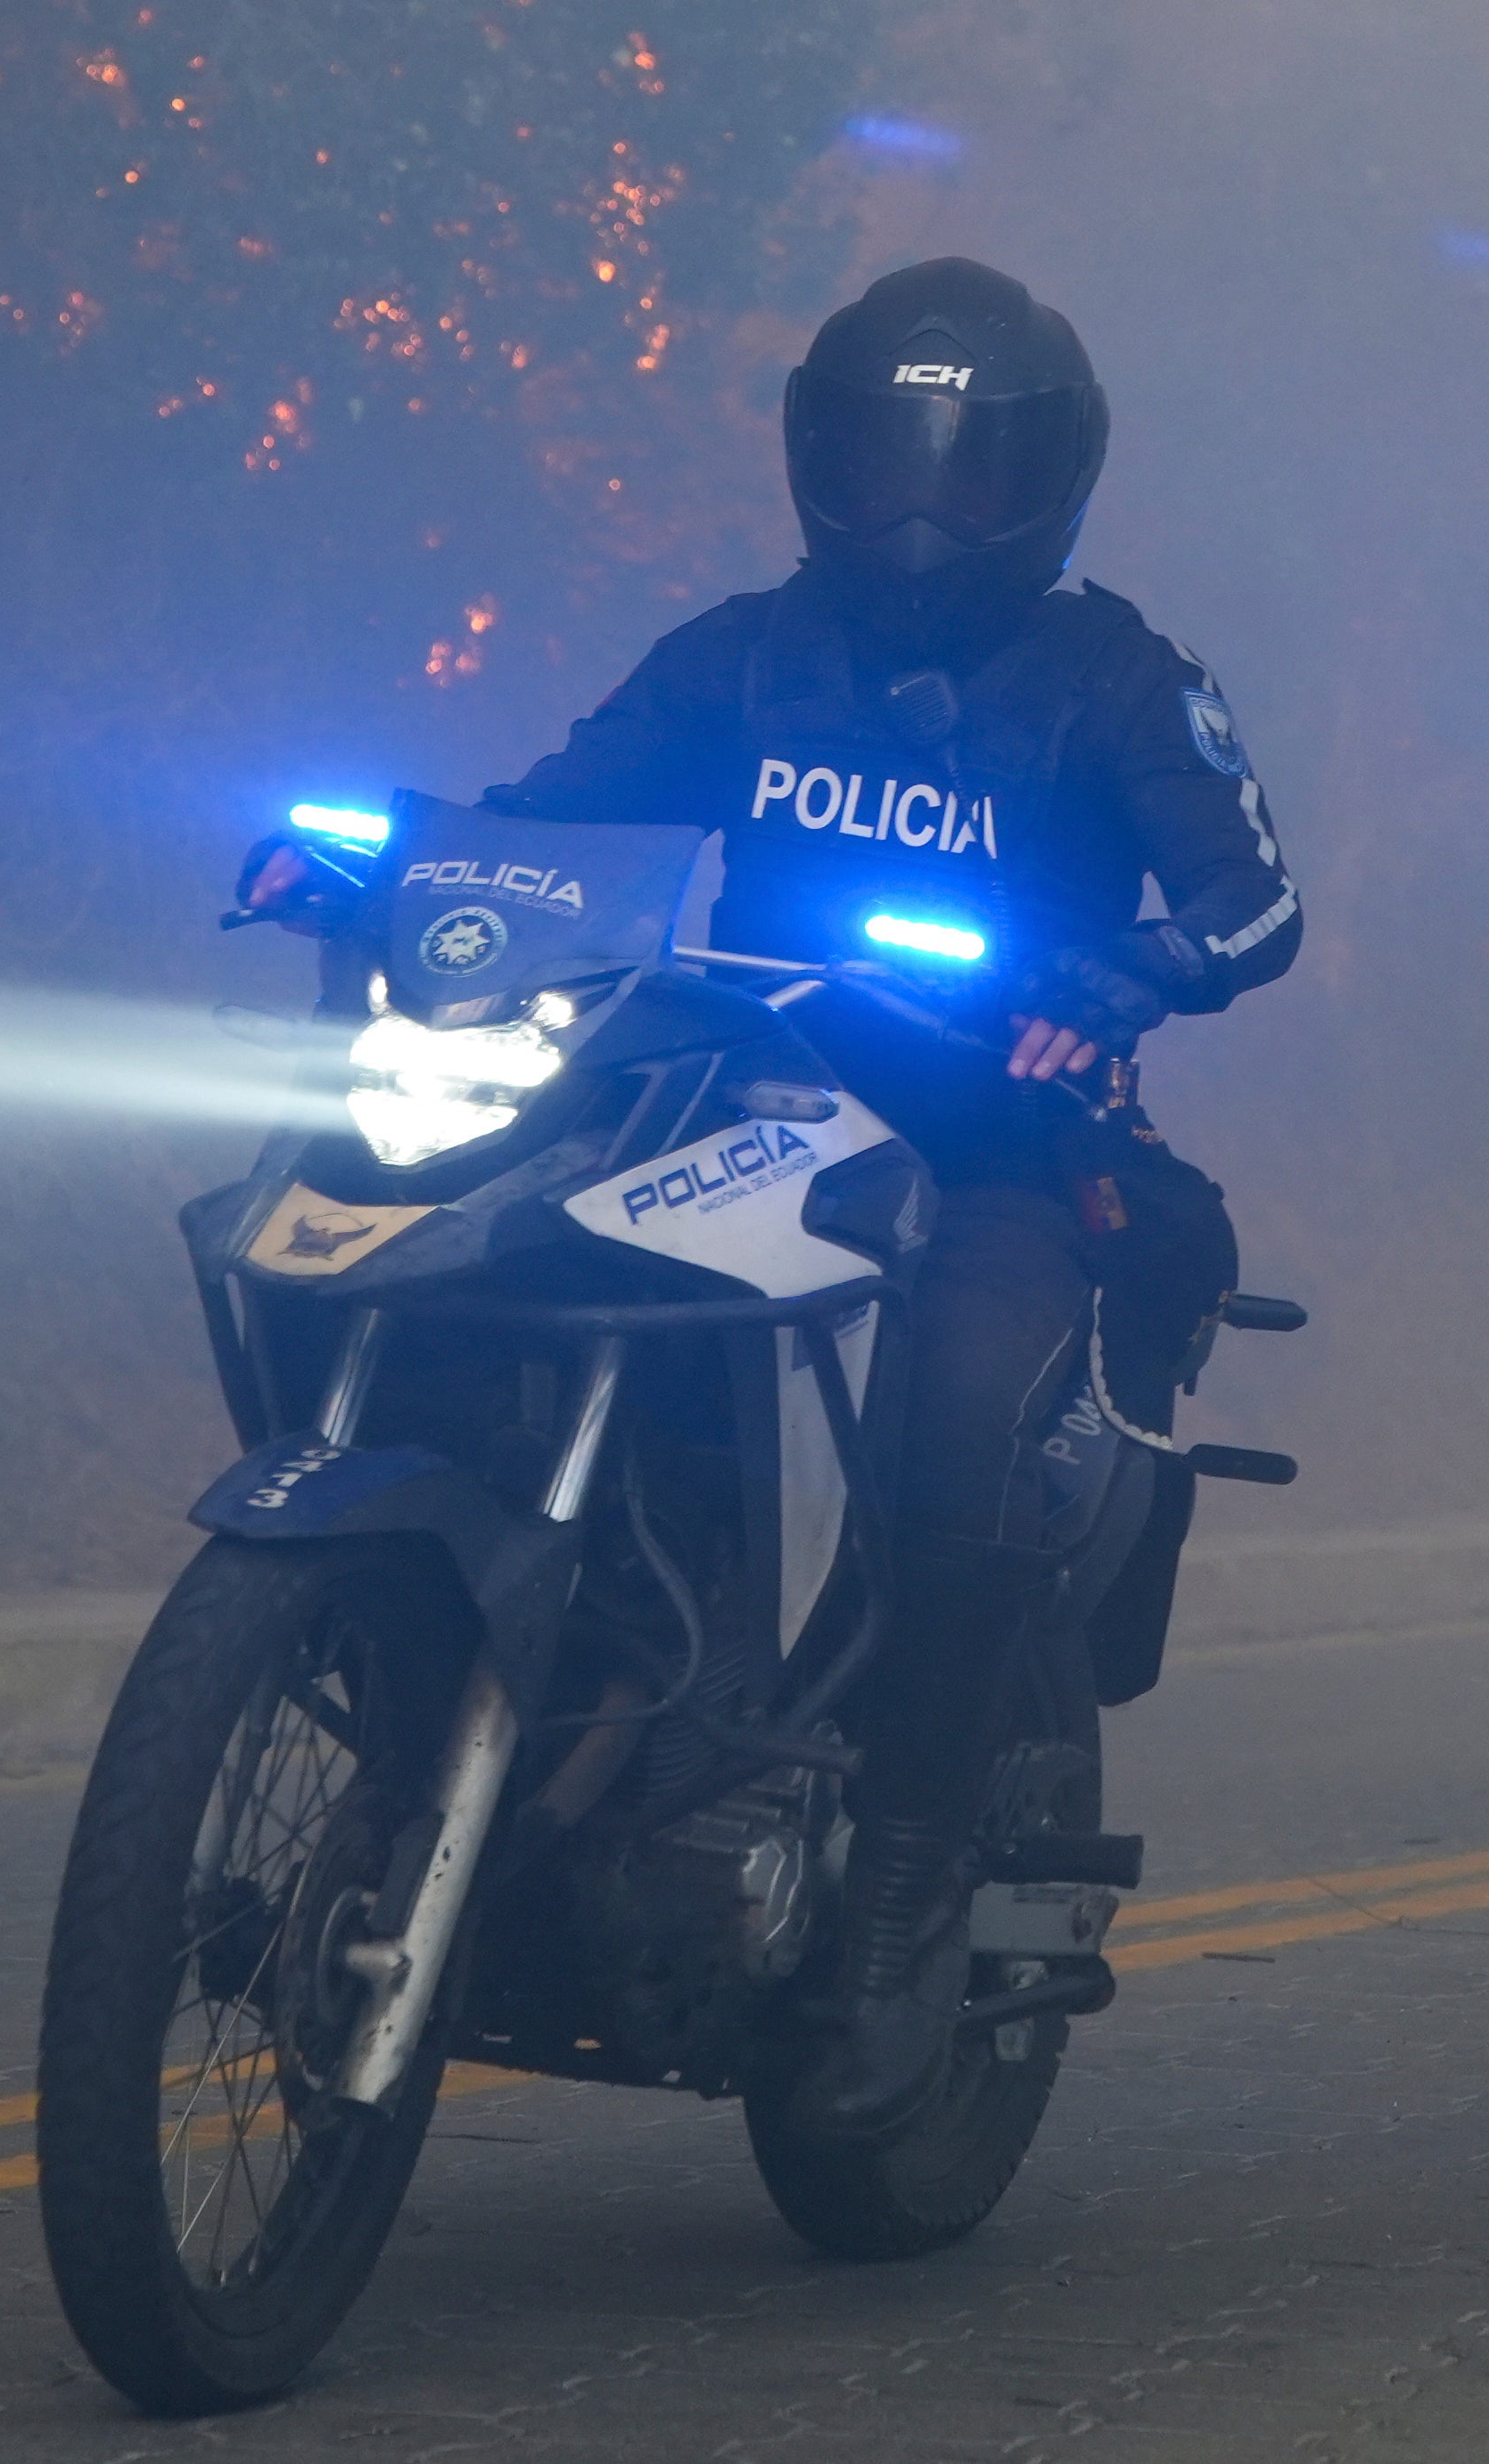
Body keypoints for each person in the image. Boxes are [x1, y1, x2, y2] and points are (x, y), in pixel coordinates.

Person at [424, 256, 1298, 2126]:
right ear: (816, 455)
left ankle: (904, 1868)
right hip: (718, 1100)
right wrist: (405, 860)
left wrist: (1136, 970)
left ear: (1055, 480)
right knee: (474, 1273)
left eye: (971, 471)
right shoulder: (743, 650)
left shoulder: (1125, 679)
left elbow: (1259, 905)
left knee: (960, 1426)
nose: (920, 510)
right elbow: (560, 804)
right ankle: (550, 1704)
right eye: (886, 459)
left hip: (1004, 1140)